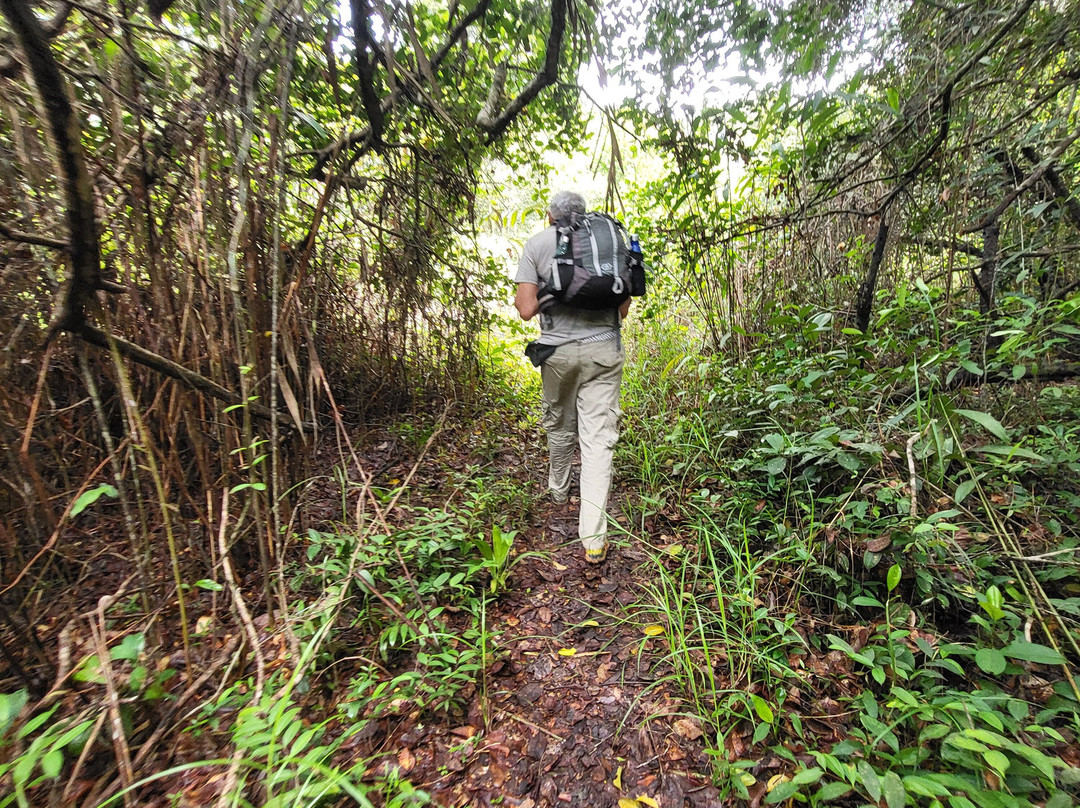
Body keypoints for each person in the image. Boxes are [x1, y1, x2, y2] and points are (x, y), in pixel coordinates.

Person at [514, 190, 631, 564]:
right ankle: (594, 540)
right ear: (584, 216)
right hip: (604, 352)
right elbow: (624, 307)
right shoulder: (610, 242)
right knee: (598, 441)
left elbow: (526, 310)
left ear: (550, 216)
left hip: (558, 355)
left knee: (560, 422)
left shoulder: (537, 244)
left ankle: (559, 491)